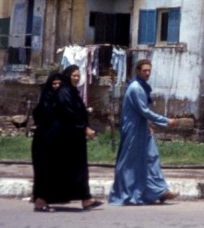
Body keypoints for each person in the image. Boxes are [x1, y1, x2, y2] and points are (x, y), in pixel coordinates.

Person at [108, 59, 179, 205]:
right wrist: (165, 121)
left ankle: (160, 191)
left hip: (142, 127)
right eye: (144, 70)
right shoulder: (135, 88)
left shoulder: (142, 87)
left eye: (149, 71)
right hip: (133, 129)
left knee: (151, 157)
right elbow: (144, 110)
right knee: (129, 162)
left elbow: (143, 113)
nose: (147, 73)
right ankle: (125, 193)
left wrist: (149, 124)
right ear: (138, 71)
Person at [31, 66, 100, 212]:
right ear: (68, 76)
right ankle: (41, 200)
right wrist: (84, 128)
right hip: (58, 138)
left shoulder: (71, 92)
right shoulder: (64, 93)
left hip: (70, 138)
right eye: (74, 75)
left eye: (78, 75)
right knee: (54, 169)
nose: (76, 78)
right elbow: (70, 113)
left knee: (76, 169)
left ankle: (86, 199)